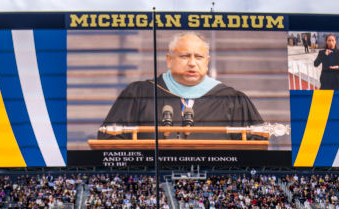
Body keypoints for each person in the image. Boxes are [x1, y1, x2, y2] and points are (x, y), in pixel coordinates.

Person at [99, 32, 263, 141]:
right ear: (169, 60)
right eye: (185, 56)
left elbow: (257, 143)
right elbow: (109, 139)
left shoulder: (232, 100)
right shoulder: (138, 94)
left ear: (206, 62)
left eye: (198, 57)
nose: (192, 63)